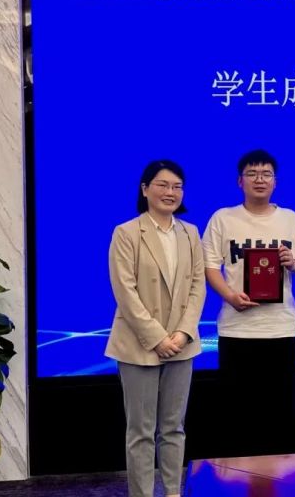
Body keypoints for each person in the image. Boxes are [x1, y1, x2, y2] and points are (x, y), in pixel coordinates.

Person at [202, 149, 295, 455]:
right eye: (252, 174)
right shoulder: (223, 218)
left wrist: (293, 262)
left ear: (275, 182)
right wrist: (229, 296)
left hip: (280, 328)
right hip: (236, 329)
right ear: (240, 181)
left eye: (266, 174)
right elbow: (209, 266)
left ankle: (277, 475)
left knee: (281, 411)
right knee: (238, 411)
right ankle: (241, 475)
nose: (259, 180)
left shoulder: (290, 219)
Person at [106, 160, 206, 497]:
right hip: (138, 344)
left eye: (177, 186)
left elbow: (198, 287)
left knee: (174, 428)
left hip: (182, 344)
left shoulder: (190, 233)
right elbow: (125, 291)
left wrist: (183, 333)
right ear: (145, 189)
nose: (170, 192)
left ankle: (173, 492)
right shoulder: (126, 233)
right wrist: (157, 338)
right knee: (141, 431)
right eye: (162, 185)